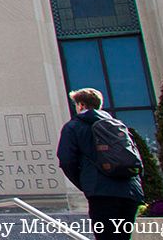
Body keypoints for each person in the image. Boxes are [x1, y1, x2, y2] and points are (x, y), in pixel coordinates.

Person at [57, 88, 143, 240]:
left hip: (101, 192)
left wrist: (86, 183)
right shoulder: (118, 125)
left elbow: (66, 160)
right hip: (130, 191)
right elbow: (136, 157)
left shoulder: (73, 126)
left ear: (81, 105)